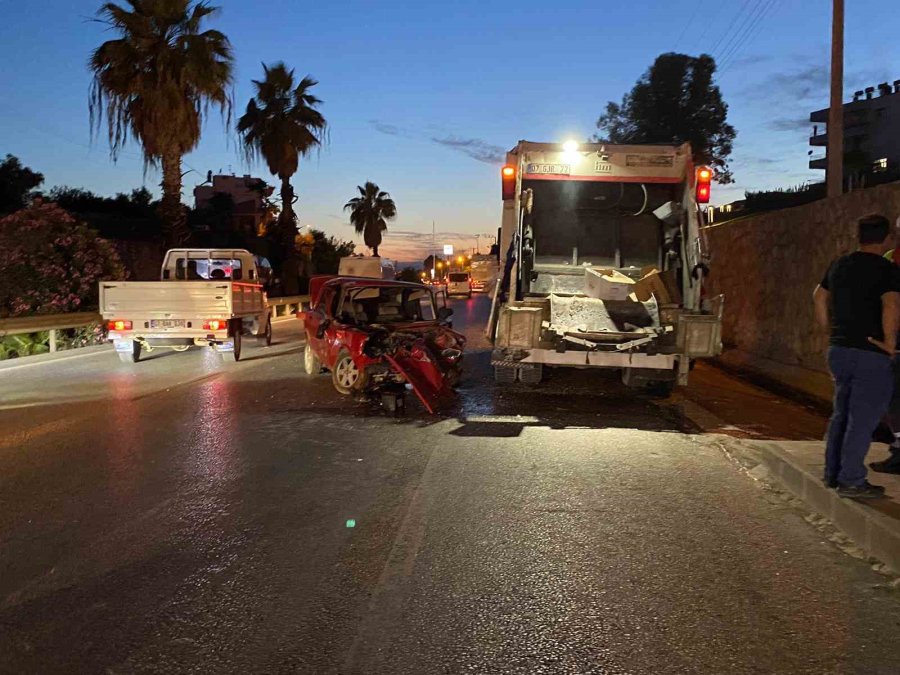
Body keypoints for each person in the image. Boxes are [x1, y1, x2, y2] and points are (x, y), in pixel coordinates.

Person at [813, 214, 900, 499]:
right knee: (862, 419)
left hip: (839, 349)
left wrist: (830, 331)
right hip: (870, 352)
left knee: (841, 413)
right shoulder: (886, 269)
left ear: (859, 236)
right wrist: (889, 342)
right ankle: (852, 479)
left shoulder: (840, 264)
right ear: (887, 238)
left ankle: (833, 473)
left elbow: (818, 297)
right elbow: (890, 304)